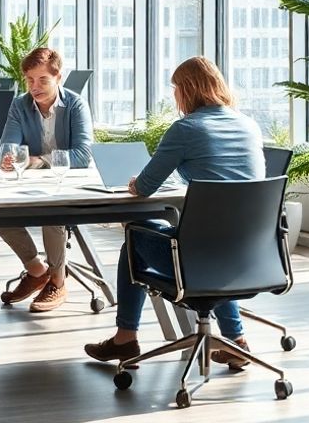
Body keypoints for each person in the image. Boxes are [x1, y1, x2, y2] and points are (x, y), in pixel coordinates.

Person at [83, 56, 265, 368]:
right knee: (219, 240)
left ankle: (125, 337)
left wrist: (135, 182)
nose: (175, 97)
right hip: (252, 255)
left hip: (197, 260)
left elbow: (144, 186)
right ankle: (236, 339)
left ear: (187, 90)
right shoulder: (249, 125)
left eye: (176, 89)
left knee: (136, 234)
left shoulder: (186, 128)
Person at [0, 47, 93, 313]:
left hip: (69, 184)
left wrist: (39, 160)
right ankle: (37, 270)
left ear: (58, 76)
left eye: (42, 80)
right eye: (30, 80)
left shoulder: (75, 105)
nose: (34, 87)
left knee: (53, 212)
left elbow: (84, 155)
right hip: (33, 184)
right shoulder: (20, 104)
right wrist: (10, 158)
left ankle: (58, 282)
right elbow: (8, 148)